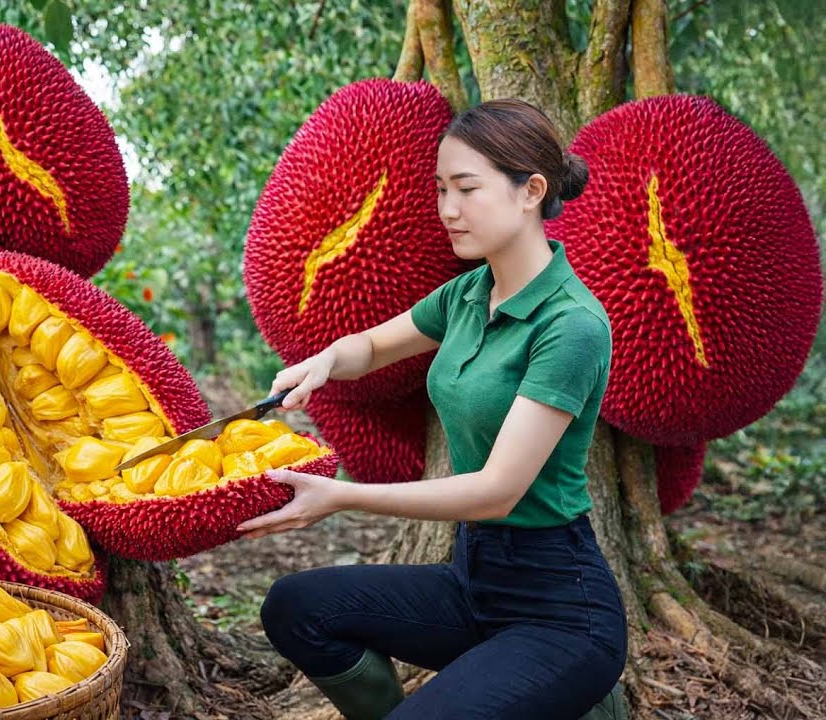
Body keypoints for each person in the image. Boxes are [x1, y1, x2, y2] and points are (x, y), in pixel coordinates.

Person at [236, 99, 629, 720]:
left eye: (467, 189)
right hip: (473, 581)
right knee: (296, 608)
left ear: (531, 192)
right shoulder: (469, 293)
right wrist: (324, 362)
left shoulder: (571, 325)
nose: (448, 209)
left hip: (558, 609)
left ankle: (581, 698)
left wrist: (342, 496)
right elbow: (371, 347)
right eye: (442, 189)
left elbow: (496, 492)